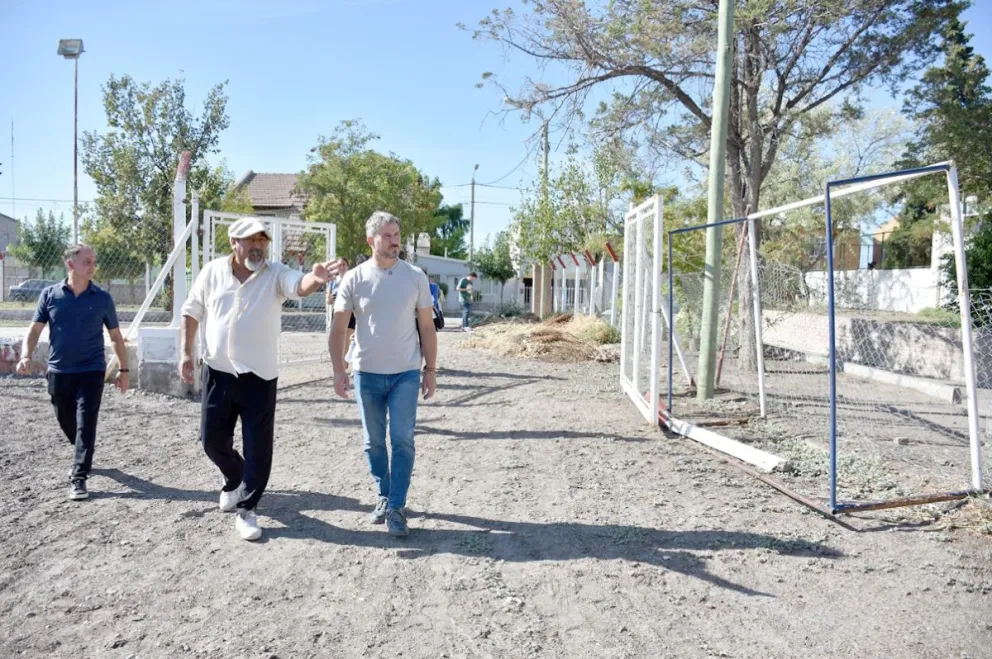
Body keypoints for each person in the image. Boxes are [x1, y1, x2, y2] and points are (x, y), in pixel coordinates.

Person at [179, 217, 346, 541]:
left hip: (259, 376)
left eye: (262, 240)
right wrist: (186, 352)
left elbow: (298, 285)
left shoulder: (275, 274)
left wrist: (315, 278)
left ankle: (247, 509)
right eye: (250, 240)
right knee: (211, 440)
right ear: (233, 243)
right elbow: (192, 309)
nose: (257, 246)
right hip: (218, 370)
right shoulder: (213, 272)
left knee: (258, 448)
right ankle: (234, 478)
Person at [330, 211, 437, 537]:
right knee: (373, 442)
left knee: (402, 439)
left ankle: (396, 507)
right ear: (371, 240)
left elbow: (427, 326)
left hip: (405, 372)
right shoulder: (354, 279)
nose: (395, 241)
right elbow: (338, 329)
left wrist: (430, 370)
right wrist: (338, 369)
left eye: (397, 234)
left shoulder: (415, 276)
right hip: (367, 373)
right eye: (387, 236)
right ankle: (384, 493)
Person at [15, 244, 129, 501]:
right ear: (70, 264)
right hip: (59, 370)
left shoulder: (102, 298)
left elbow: (115, 337)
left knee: (86, 420)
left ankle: (79, 476)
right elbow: (34, 331)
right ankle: (82, 448)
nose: (92, 266)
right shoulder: (50, 295)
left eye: (94, 261)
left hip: (92, 369)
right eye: (86, 261)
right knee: (65, 416)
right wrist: (25, 356)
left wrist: (123, 368)